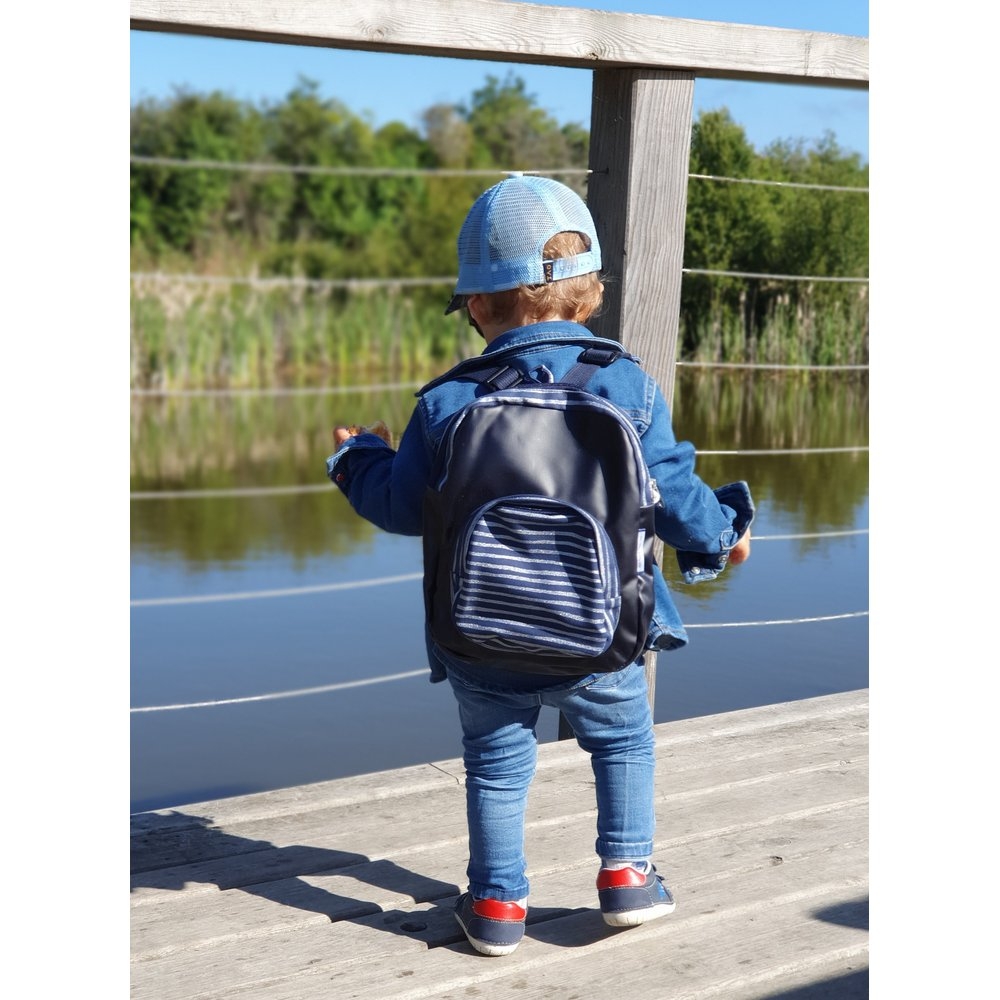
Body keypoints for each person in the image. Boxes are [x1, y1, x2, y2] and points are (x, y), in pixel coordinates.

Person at [326, 174, 753, 957]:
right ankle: (626, 879)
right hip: (603, 638)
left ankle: (495, 908)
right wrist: (724, 534)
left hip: (481, 639)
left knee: (494, 764)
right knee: (623, 743)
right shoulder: (626, 387)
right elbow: (678, 499)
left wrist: (357, 457)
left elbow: (399, 507)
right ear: (589, 296)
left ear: (479, 308)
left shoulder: (446, 404)